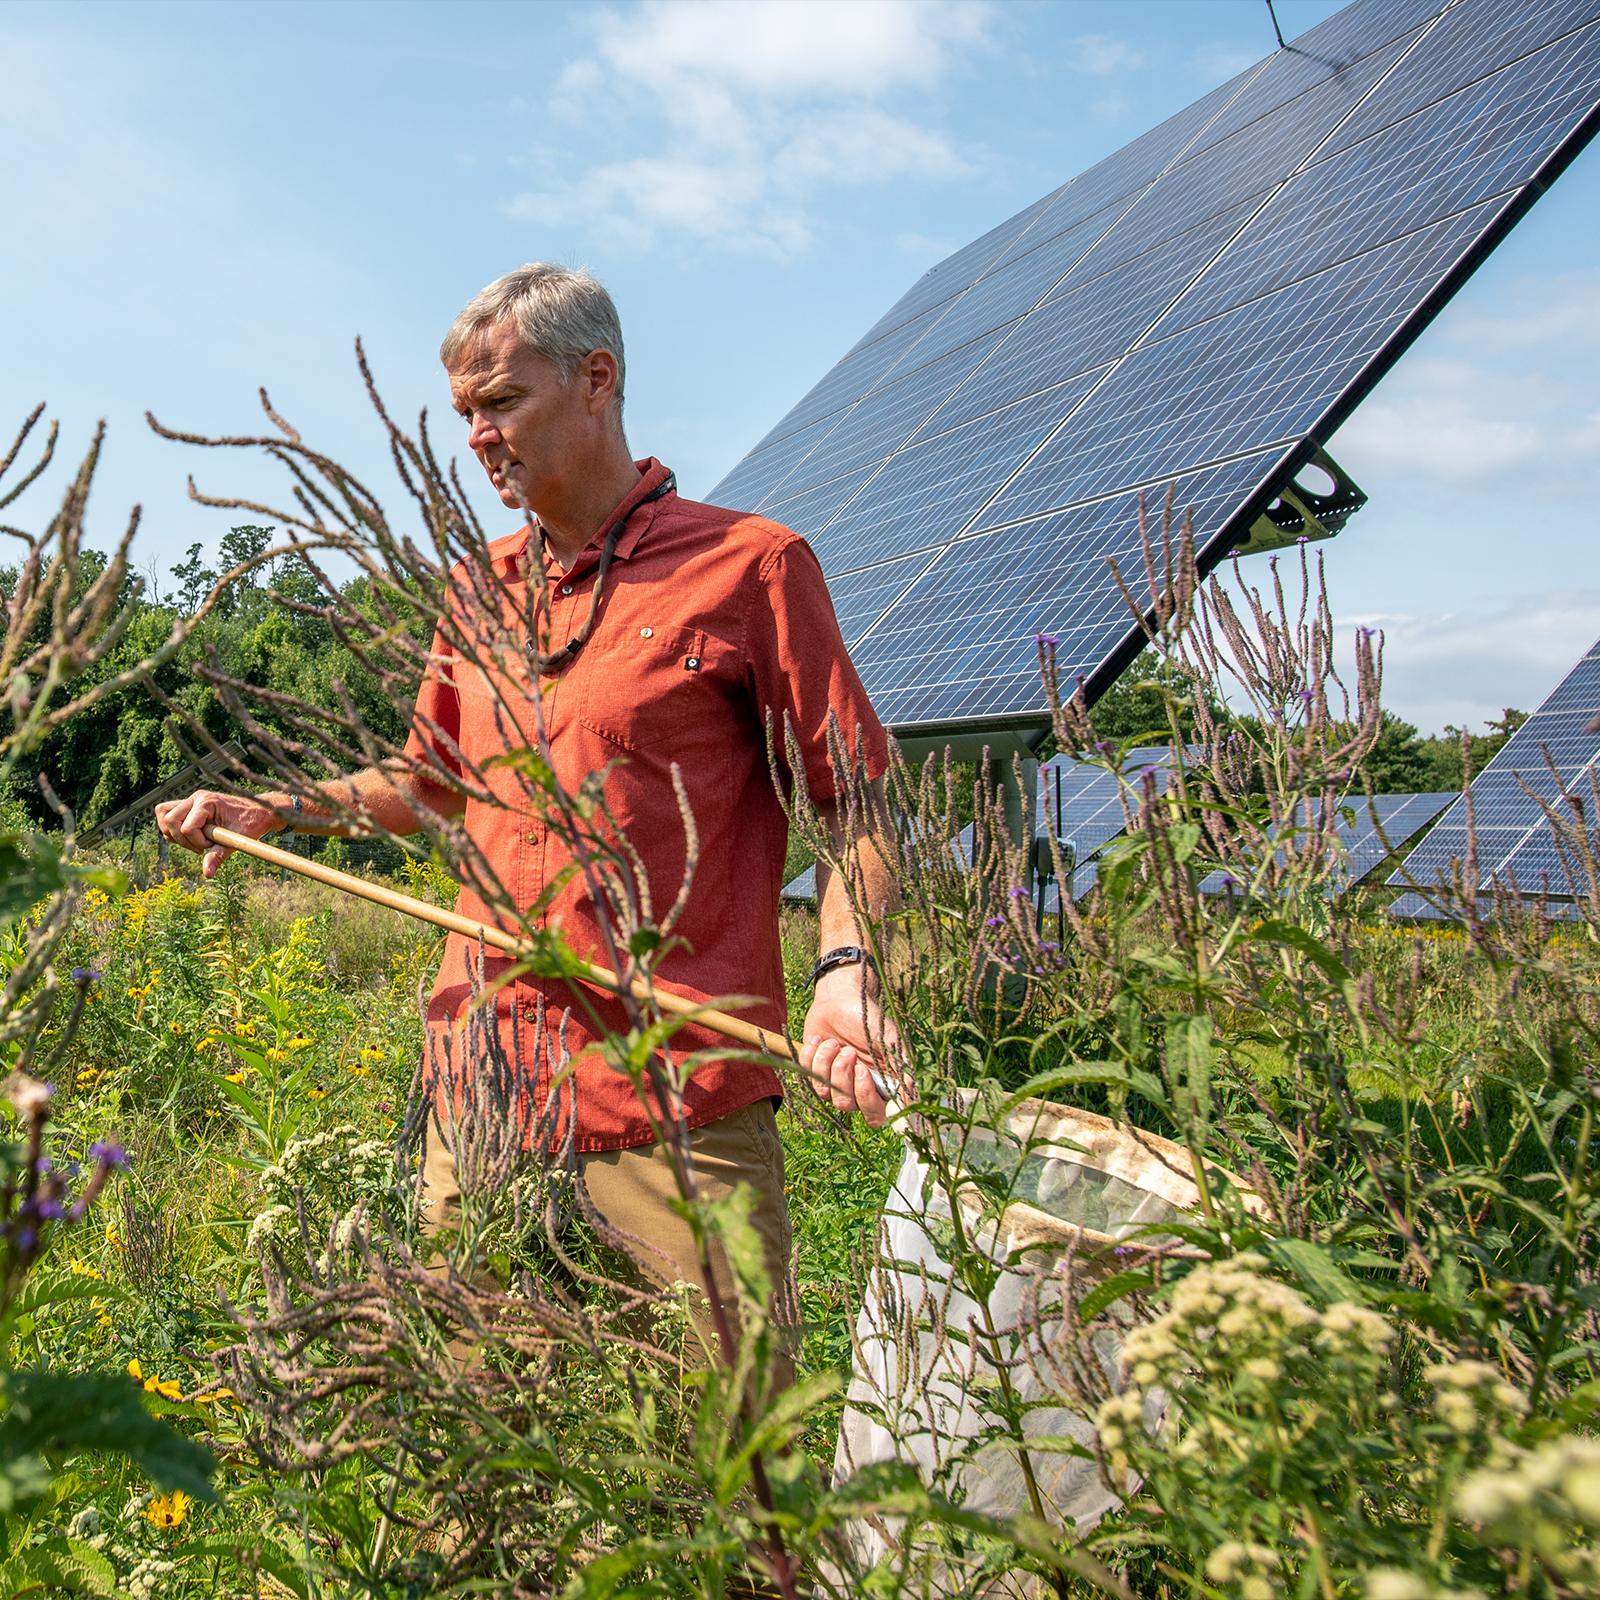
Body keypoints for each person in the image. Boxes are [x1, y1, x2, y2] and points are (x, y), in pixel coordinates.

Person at [155, 262, 899, 1343]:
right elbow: (430, 789)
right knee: (488, 1473)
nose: (477, 437)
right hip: (482, 1102)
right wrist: (278, 808)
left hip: (673, 1115)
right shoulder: (476, 591)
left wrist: (846, 968)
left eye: (501, 401)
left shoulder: (751, 569)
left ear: (596, 377)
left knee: (731, 1474)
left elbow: (858, 801)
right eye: (463, 413)